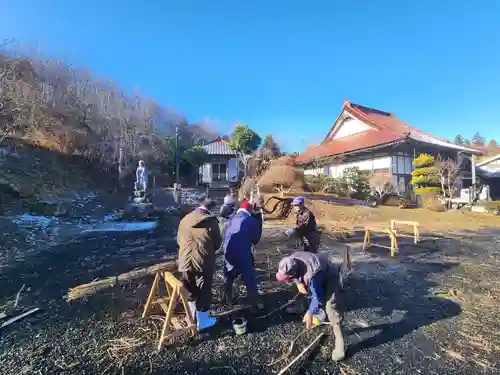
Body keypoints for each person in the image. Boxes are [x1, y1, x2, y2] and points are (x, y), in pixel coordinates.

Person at [275, 249, 351, 362]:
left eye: (288, 279)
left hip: (329, 275)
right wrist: (298, 283)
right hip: (312, 273)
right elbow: (295, 275)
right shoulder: (291, 260)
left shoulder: (312, 275)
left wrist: (310, 313)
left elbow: (318, 297)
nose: (287, 281)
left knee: (330, 307)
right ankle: (300, 307)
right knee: (301, 288)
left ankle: (340, 345)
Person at [177, 198, 222, 330]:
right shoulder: (211, 222)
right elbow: (217, 244)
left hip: (185, 261)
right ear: (210, 208)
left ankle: (190, 318)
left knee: (189, 289)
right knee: (204, 290)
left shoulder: (185, 219)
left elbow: (179, 240)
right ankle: (202, 322)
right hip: (203, 262)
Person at [223, 200, 263, 311]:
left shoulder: (230, 219)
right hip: (243, 254)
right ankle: (254, 306)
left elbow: (225, 236)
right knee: (249, 279)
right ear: (249, 210)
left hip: (228, 253)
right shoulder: (251, 220)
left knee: (229, 278)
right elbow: (255, 240)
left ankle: (228, 303)